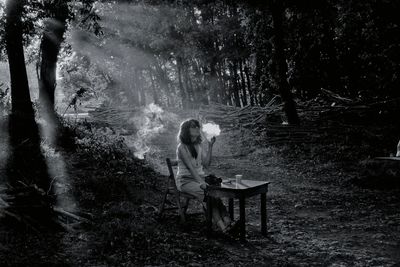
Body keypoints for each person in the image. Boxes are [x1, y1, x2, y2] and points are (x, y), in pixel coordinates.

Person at [175, 118, 237, 233]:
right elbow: (191, 169)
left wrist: (210, 146)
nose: (197, 128)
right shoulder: (181, 147)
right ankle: (223, 227)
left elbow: (206, 164)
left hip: (199, 179)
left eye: (198, 126)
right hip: (185, 181)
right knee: (209, 195)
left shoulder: (198, 145)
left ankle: (228, 222)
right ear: (186, 130)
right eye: (193, 126)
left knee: (215, 194)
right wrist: (201, 183)